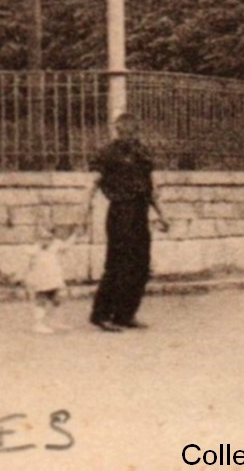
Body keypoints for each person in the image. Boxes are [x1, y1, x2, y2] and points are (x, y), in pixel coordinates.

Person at [87, 112, 168, 332]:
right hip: (120, 212)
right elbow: (93, 182)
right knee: (117, 264)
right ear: (117, 131)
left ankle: (125, 314)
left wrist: (162, 214)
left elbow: (151, 188)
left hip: (140, 212)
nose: (128, 136)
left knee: (141, 265)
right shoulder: (107, 153)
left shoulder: (142, 153)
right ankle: (101, 315)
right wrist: (83, 209)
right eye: (123, 131)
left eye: (132, 132)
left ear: (137, 131)